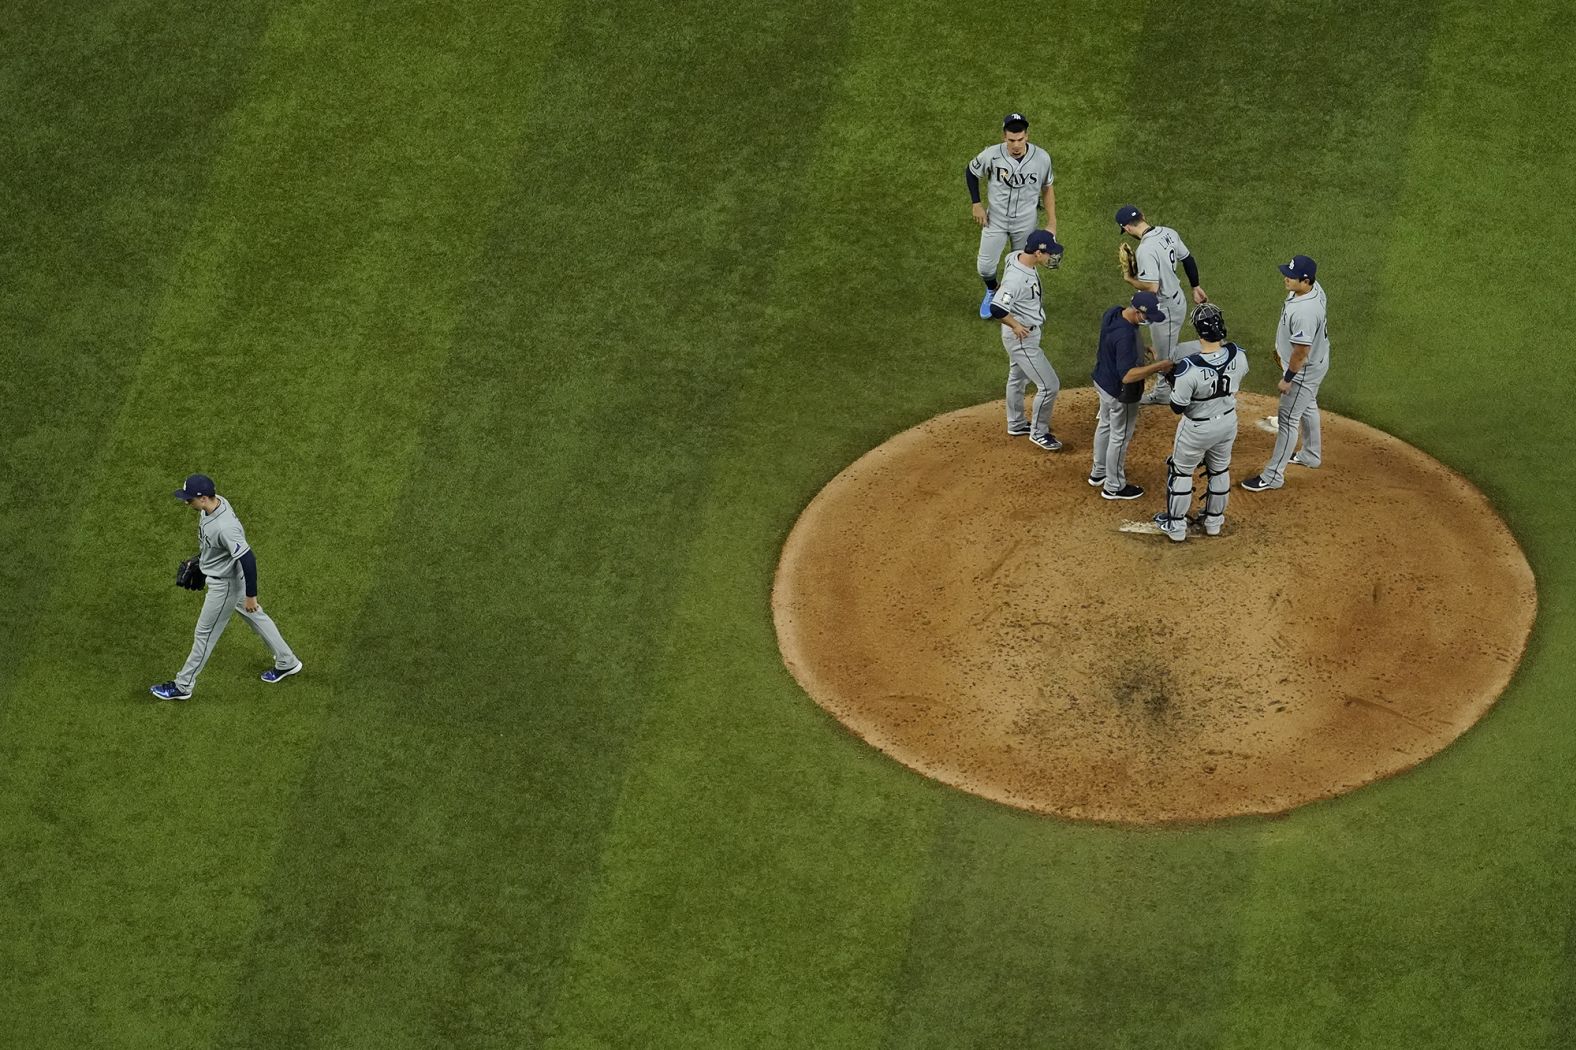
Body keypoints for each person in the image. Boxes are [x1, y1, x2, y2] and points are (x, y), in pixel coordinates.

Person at [149, 474, 302, 700]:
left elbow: (248, 559)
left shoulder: (225, 527)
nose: (186, 502)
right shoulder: (214, 503)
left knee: (204, 634)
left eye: (189, 499)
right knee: (256, 617)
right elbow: (219, 548)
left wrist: (251, 595)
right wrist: (203, 561)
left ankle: (183, 686)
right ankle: (287, 661)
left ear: (203, 499)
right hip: (229, 576)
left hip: (226, 586)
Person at [1152, 304, 1250, 542]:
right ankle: (1214, 522)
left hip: (1197, 428)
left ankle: (1175, 527)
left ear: (1198, 331)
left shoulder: (1189, 367)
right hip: (1228, 423)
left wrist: (1170, 376)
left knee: (1182, 471)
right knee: (1219, 468)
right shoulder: (1240, 354)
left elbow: (1177, 407)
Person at [1242, 255, 1330, 492]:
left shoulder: (1305, 312)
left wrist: (1288, 378)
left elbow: (1301, 351)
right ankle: (1311, 455)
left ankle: (1273, 476)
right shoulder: (1313, 289)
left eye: (1291, 277)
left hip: (1302, 371)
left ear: (1305, 280)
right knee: (1308, 405)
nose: (1286, 279)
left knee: (1288, 419)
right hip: (1316, 363)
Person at [1115, 204, 1209, 403]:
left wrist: (1129, 279)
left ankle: (1163, 392)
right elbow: (1188, 259)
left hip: (1165, 308)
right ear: (1143, 216)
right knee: (1165, 348)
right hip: (1177, 299)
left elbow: (1151, 288)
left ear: (1128, 228)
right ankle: (1209, 345)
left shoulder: (1145, 250)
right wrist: (1195, 286)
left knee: (1164, 355)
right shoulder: (1168, 232)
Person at [968, 113, 1056, 319]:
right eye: (1011, 140)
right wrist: (976, 203)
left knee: (1023, 268)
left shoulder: (1042, 158)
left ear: (1027, 136)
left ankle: (1021, 302)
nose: (1016, 145)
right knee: (985, 266)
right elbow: (971, 172)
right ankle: (992, 290)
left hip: (1026, 221)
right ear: (1003, 137)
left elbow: (1047, 188)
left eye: (1020, 139)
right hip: (995, 219)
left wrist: (1052, 222)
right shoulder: (992, 154)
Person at [1090, 291, 1174, 499]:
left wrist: (1140, 348)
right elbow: (1127, 376)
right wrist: (1158, 366)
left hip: (1102, 380)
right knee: (1119, 436)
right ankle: (1114, 486)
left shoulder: (1114, 313)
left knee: (1105, 426)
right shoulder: (1125, 336)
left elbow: (1115, 343)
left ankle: (1098, 472)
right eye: (1146, 316)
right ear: (1137, 312)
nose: (1148, 321)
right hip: (1120, 392)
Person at [990, 229, 1065, 449]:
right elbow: (996, 307)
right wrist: (1015, 325)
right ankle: (1039, 433)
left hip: (1025, 334)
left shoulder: (1015, 257)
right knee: (1049, 385)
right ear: (1037, 253)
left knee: (1017, 378)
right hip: (1022, 338)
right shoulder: (1016, 278)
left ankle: (1015, 423)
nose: (1052, 257)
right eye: (1049, 253)